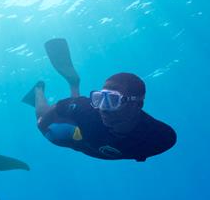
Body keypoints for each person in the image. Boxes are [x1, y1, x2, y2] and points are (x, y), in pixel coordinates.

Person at [24, 69, 176, 162]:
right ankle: (38, 90)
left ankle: (74, 87)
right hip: (78, 135)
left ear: (138, 105)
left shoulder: (161, 137)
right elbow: (54, 112)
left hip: (88, 137)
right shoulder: (88, 110)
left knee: (76, 115)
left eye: (112, 100)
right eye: (99, 98)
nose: (103, 108)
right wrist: (42, 125)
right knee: (53, 132)